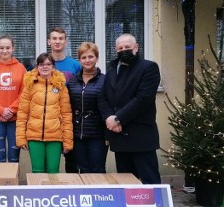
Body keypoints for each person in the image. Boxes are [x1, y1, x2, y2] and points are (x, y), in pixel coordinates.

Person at [98, 33, 161, 184]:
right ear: (115, 50)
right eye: (120, 48)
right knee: (126, 182)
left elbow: (143, 98)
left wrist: (118, 118)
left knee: (149, 180)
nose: (123, 50)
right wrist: (109, 119)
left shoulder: (149, 67)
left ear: (136, 47)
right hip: (119, 135)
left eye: (127, 47)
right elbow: (102, 97)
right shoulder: (112, 69)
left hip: (141, 136)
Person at [16, 52, 73, 174]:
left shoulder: (61, 87)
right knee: (37, 172)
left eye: (48, 64)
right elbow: (22, 114)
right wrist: (21, 138)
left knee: (53, 171)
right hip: (34, 137)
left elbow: (66, 115)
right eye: (41, 64)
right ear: (37, 67)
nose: (45, 67)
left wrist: (67, 141)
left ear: (53, 66)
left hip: (55, 137)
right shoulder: (30, 85)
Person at [0, 36, 27, 163]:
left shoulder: (21, 68)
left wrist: (11, 110)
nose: (4, 51)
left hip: (15, 119)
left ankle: (13, 182)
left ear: (13, 48)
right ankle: (1, 182)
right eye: (1, 48)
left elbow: (24, 94)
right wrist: (1, 110)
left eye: (8, 47)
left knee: (14, 158)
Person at [67, 42, 108, 173]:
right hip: (77, 134)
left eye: (91, 57)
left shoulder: (105, 80)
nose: (87, 60)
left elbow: (110, 108)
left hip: (98, 135)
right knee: (82, 170)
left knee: (97, 169)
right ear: (79, 60)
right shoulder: (72, 81)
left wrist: (108, 135)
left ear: (97, 58)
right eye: (83, 57)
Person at [47, 27, 81, 173]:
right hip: (49, 117)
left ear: (66, 42)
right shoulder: (43, 64)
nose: (57, 41)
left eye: (61, 38)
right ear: (49, 41)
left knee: (71, 158)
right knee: (48, 162)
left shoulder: (76, 65)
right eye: (54, 38)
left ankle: (70, 190)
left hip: (70, 116)